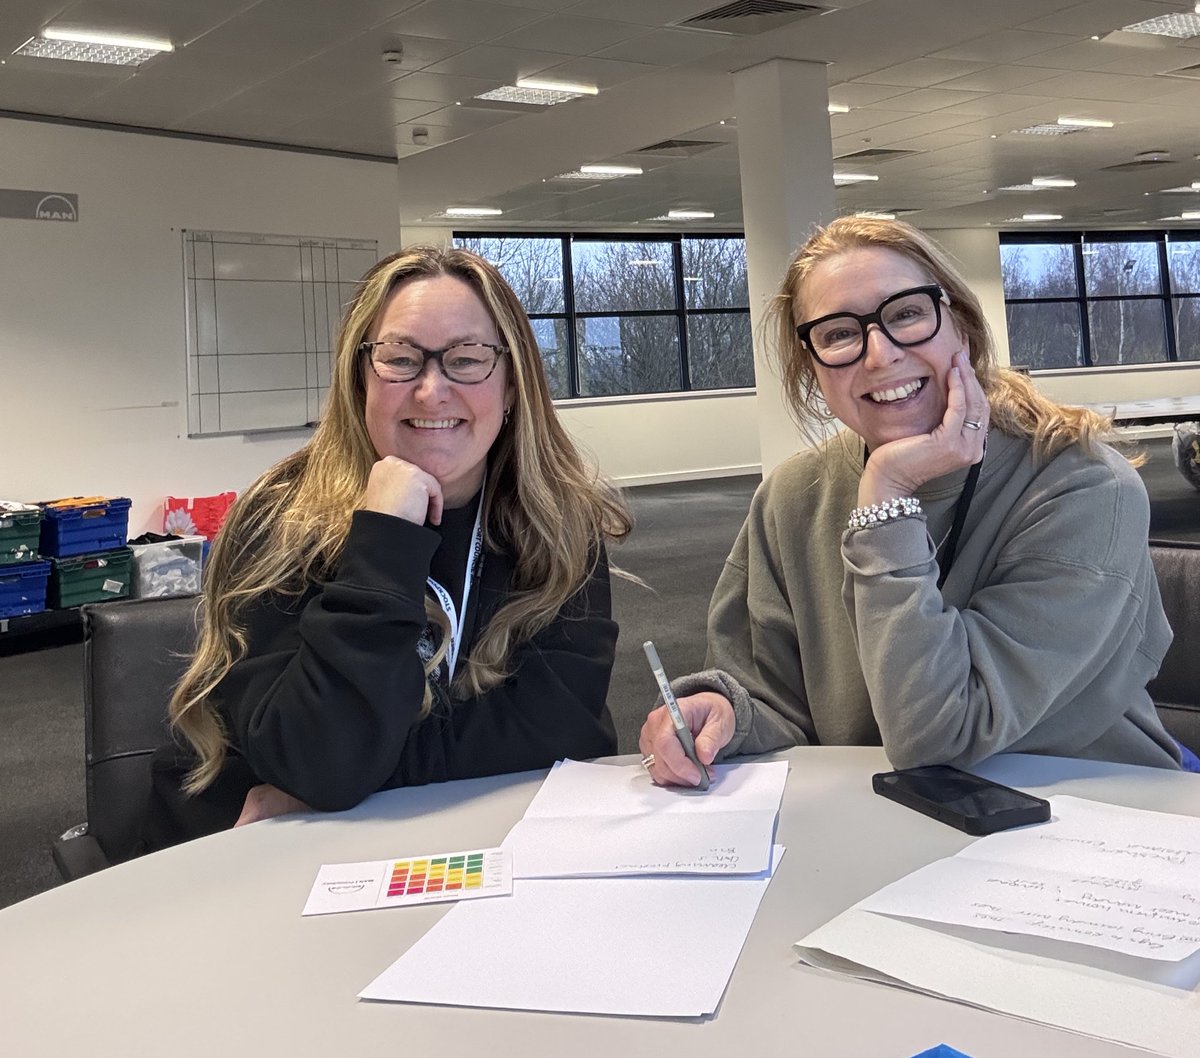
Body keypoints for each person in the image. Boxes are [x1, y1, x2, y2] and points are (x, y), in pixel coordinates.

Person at [640, 215, 1189, 787]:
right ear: (814, 371)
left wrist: (887, 501)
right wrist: (729, 714)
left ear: (963, 328)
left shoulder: (1082, 486)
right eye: (838, 334)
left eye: (906, 314)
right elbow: (776, 697)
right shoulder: (791, 497)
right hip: (879, 823)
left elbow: (941, 732)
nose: (879, 354)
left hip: (1088, 820)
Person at [143, 246, 632, 847]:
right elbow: (319, 758)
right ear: (359, 379)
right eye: (400, 360)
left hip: (498, 843)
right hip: (294, 859)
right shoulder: (282, 518)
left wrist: (365, 780)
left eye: (467, 359)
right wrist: (386, 542)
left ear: (511, 386)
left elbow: (559, 736)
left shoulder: (558, 523)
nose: (431, 391)